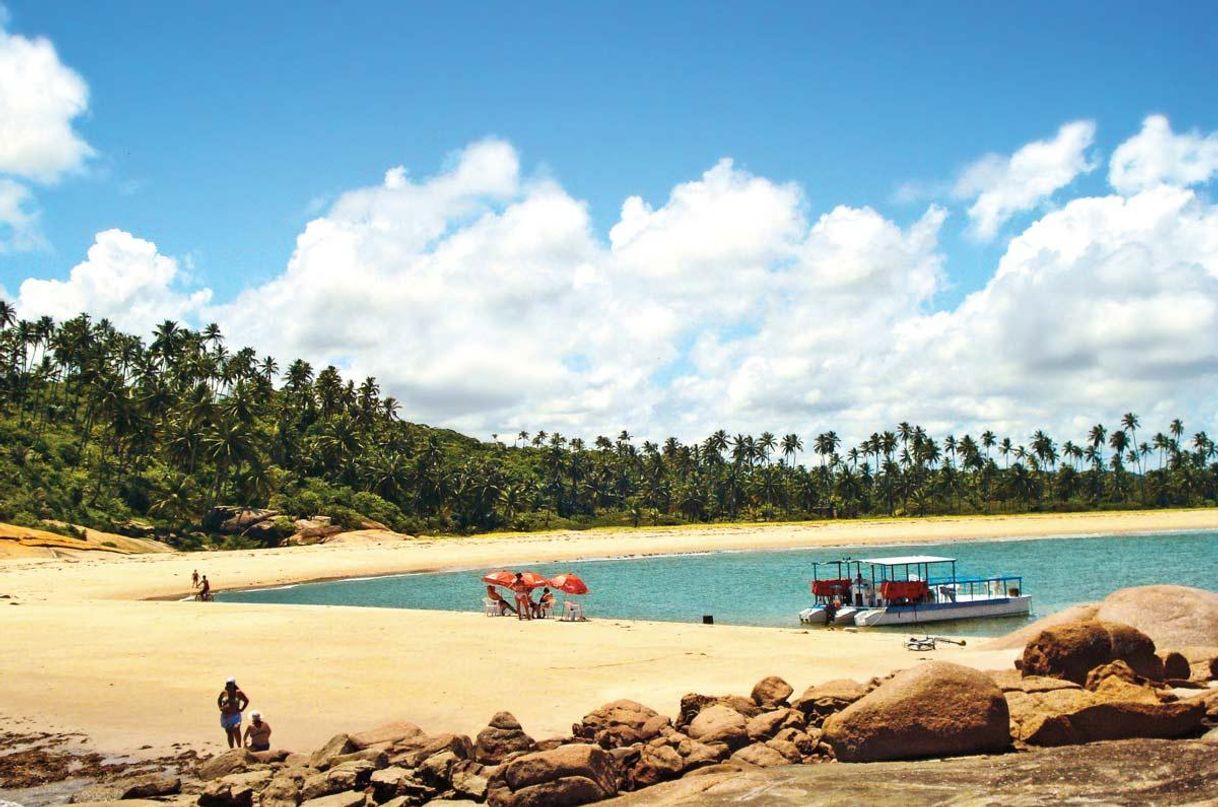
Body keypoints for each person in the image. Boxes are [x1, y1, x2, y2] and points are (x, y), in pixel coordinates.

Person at [217, 677, 249, 748]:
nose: (229, 685)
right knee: (229, 733)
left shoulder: (238, 692)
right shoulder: (224, 692)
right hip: (226, 716)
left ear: (234, 684)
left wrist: (242, 709)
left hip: (235, 715)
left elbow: (246, 700)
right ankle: (231, 748)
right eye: (227, 684)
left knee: (236, 729)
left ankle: (239, 746)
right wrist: (220, 707)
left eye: (230, 684)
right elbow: (219, 700)